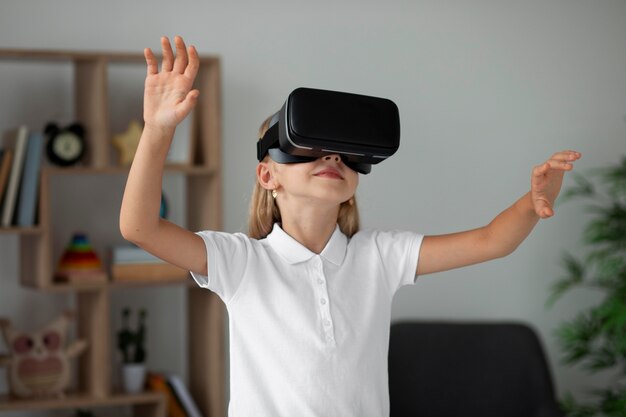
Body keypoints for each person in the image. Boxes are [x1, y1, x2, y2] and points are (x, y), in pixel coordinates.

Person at [119, 36, 582, 417]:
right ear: (268, 174)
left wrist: (535, 199)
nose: (331, 159)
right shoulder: (241, 262)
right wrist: (158, 129)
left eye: (343, 153)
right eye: (313, 149)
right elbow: (140, 227)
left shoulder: (378, 258)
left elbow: (492, 241)